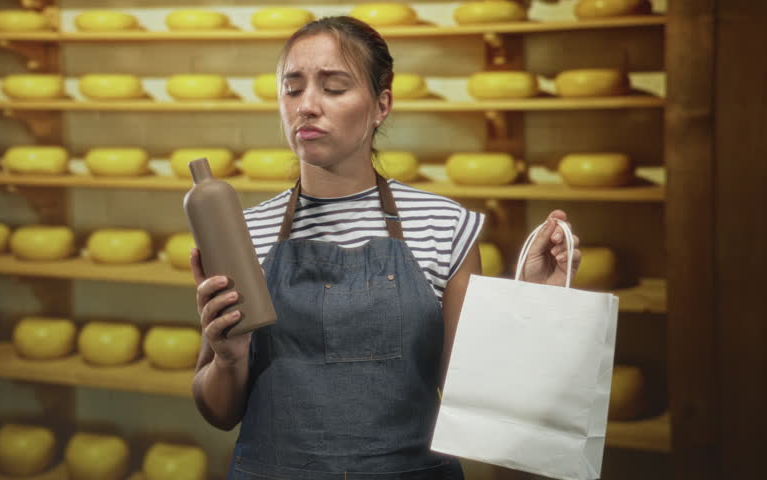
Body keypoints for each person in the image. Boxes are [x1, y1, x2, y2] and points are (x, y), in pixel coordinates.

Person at [189, 16, 581, 480]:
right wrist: (229, 359)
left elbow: (474, 398)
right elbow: (218, 412)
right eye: (292, 89)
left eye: (333, 87)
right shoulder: (245, 231)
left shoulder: (444, 226)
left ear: (381, 105)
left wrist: (532, 300)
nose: (307, 106)